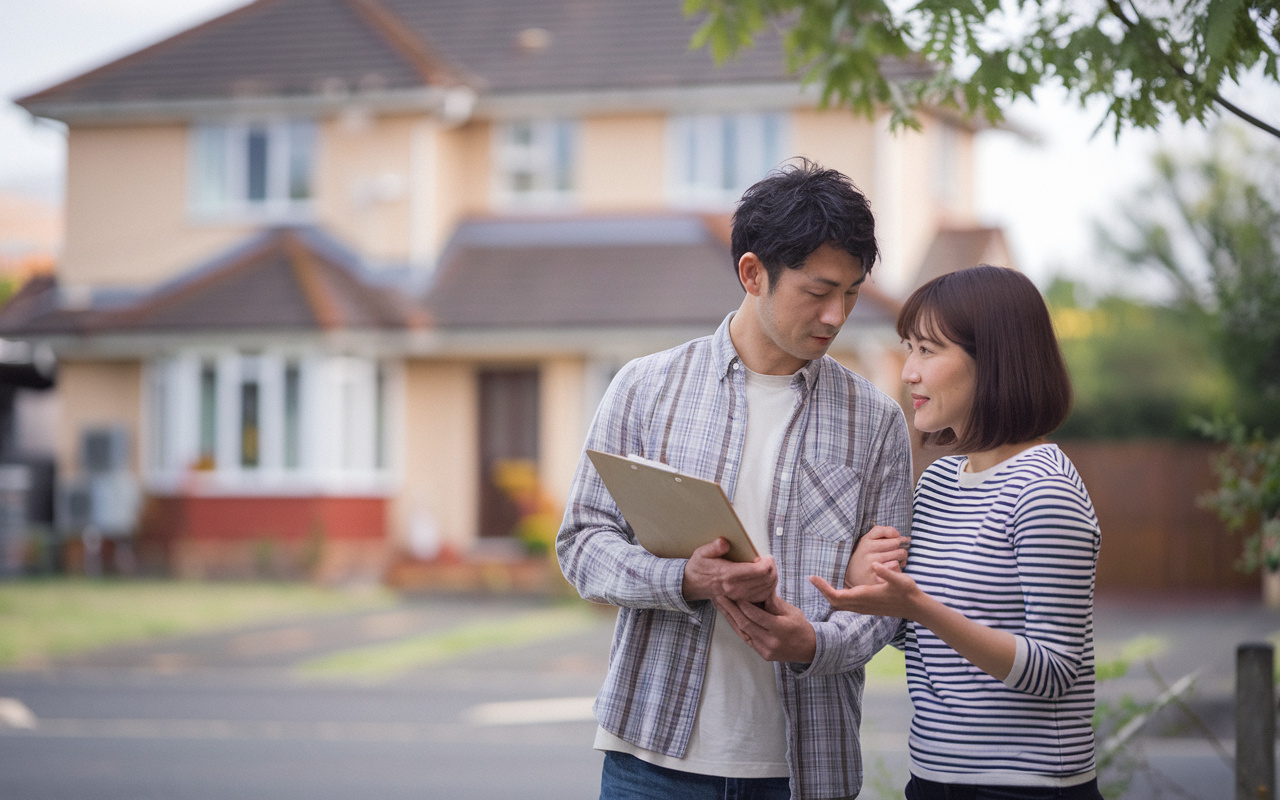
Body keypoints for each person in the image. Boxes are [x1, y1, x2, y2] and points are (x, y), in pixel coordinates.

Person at [556, 159, 913, 800]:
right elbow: (581, 544)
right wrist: (684, 578)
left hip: (803, 768)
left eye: (852, 292)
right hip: (651, 760)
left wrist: (816, 642)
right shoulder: (645, 387)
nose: (836, 315)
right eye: (817, 290)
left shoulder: (877, 420)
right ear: (753, 273)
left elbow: (888, 603)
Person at [811, 265, 1104, 799]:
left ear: (992, 362)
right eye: (908, 349)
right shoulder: (941, 482)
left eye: (927, 350)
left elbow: (1054, 670)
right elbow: (925, 639)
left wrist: (918, 606)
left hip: (1027, 786)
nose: (908, 373)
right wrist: (869, 587)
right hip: (933, 779)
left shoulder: (1045, 492)